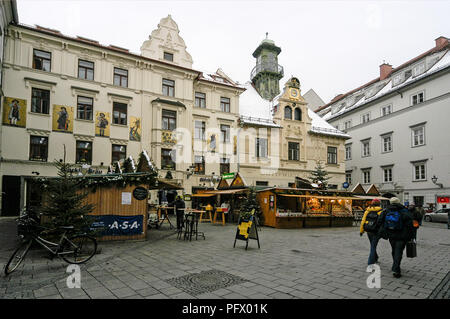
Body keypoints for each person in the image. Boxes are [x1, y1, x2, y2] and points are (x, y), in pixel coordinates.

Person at [378, 197, 415, 278]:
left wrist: (385, 230)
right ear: (399, 202)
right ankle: (396, 269)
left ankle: (395, 264)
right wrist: (412, 236)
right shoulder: (404, 211)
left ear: (391, 202)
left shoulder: (386, 210)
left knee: (394, 250)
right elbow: (410, 225)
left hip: (391, 235)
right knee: (399, 251)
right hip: (402, 235)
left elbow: (379, 221)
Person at [360, 199, 383, 268]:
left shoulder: (367, 210)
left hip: (369, 230)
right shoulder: (380, 211)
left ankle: (375, 257)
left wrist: (361, 231)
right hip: (376, 231)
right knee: (373, 246)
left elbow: (363, 221)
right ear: (379, 204)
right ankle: (370, 262)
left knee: (372, 245)